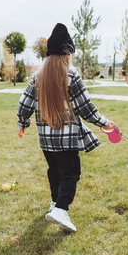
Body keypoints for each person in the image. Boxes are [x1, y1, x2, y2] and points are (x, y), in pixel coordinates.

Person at [17, 23, 114, 233]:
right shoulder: (71, 75)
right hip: (67, 139)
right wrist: (105, 123)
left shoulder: (37, 77)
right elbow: (86, 109)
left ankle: (54, 204)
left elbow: (24, 104)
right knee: (70, 174)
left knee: (55, 172)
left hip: (46, 140)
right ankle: (61, 208)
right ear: (67, 53)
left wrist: (23, 123)